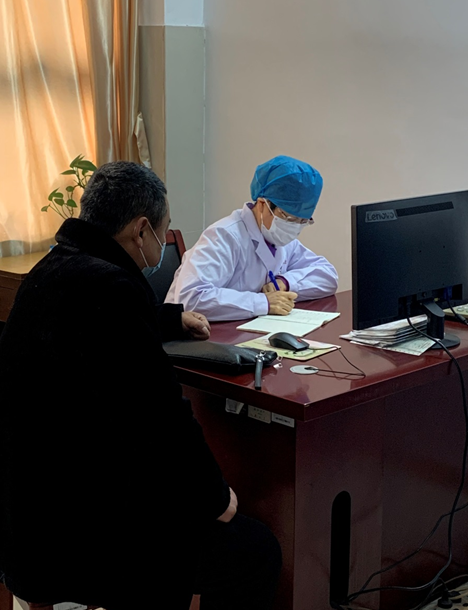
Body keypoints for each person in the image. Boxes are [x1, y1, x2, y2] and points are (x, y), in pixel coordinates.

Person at [0, 161, 281, 610]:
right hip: (79, 535)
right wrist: (214, 498)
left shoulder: (53, 270)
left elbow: (92, 327)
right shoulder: (111, 288)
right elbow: (162, 422)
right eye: (164, 230)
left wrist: (169, 319)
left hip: (28, 513)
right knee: (256, 551)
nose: (163, 242)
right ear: (142, 229)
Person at [165, 155, 338, 321]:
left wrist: (285, 282)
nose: (295, 227)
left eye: (302, 221)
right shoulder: (224, 235)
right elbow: (190, 298)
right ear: (262, 204)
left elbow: (328, 276)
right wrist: (263, 303)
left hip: (245, 330)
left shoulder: (282, 241)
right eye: (289, 218)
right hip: (195, 335)